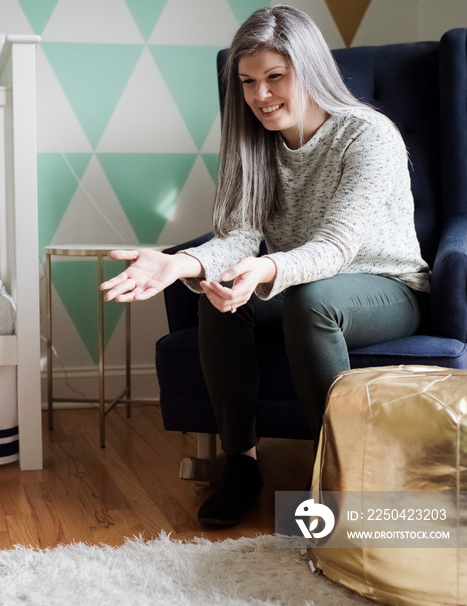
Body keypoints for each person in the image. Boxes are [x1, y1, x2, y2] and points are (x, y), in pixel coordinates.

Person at [100, 5, 429, 527]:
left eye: (275, 77)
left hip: (386, 287)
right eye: (249, 82)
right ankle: (240, 465)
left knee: (310, 297)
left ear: (311, 69)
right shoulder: (252, 141)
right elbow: (239, 237)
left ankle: (334, 473)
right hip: (296, 282)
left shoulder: (368, 136)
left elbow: (336, 247)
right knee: (220, 295)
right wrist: (179, 264)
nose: (260, 96)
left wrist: (268, 269)